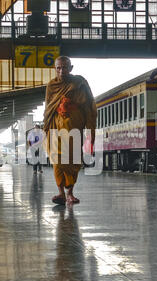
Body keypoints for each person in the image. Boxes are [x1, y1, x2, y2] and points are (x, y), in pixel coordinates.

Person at [43, 56, 97, 205]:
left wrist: (90, 129)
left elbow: (89, 106)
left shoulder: (79, 83)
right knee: (57, 159)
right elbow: (48, 108)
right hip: (56, 126)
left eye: (65, 67)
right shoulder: (51, 86)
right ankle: (60, 193)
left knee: (73, 160)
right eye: (58, 68)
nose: (61, 71)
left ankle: (70, 193)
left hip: (74, 126)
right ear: (55, 69)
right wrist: (46, 126)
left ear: (71, 68)